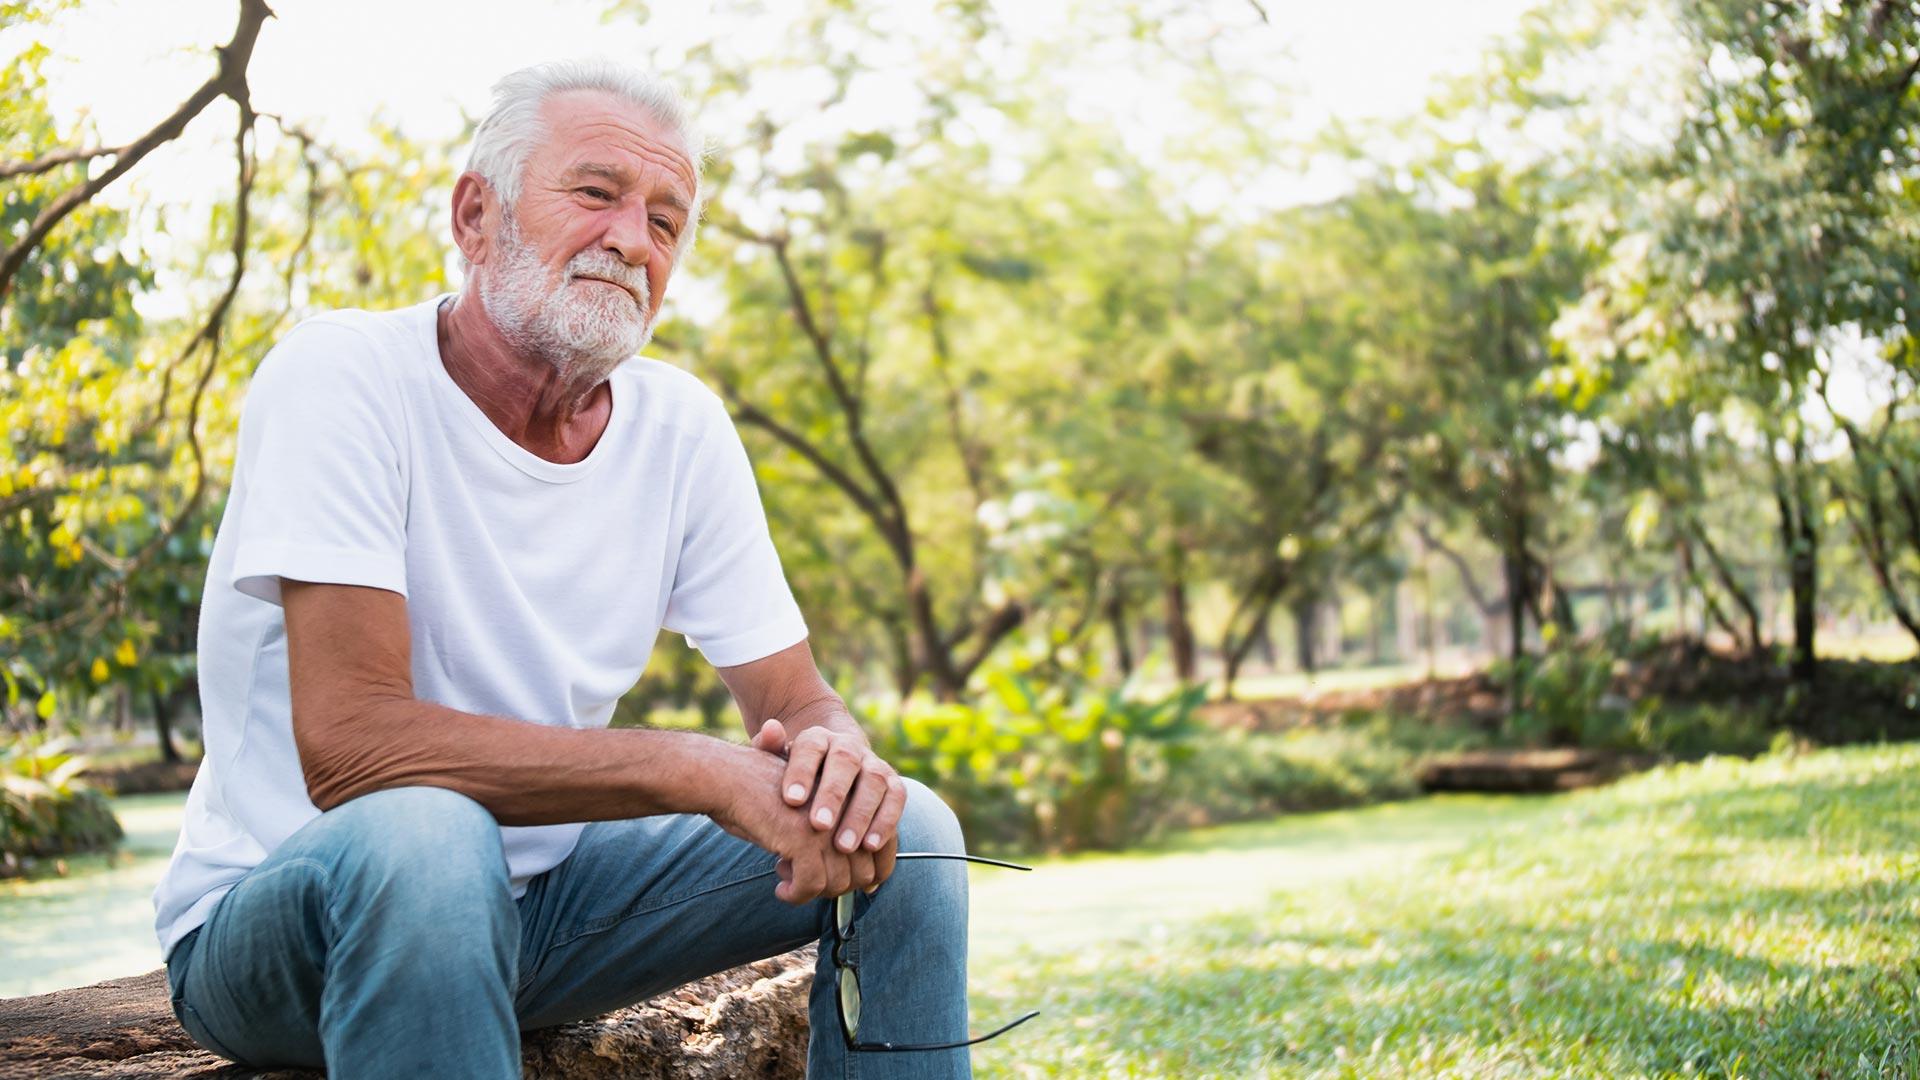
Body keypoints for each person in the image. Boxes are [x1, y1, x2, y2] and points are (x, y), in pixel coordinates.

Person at [152, 59, 978, 1079]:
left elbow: (801, 701)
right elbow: (351, 750)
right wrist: (691, 765)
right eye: (596, 194)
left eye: (666, 222)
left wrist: (838, 765)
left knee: (913, 834)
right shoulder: (343, 379)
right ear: (475, 214)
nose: (633, 240)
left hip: (544, 917)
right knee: (425, 835)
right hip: (293, 922)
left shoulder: (682, 429)